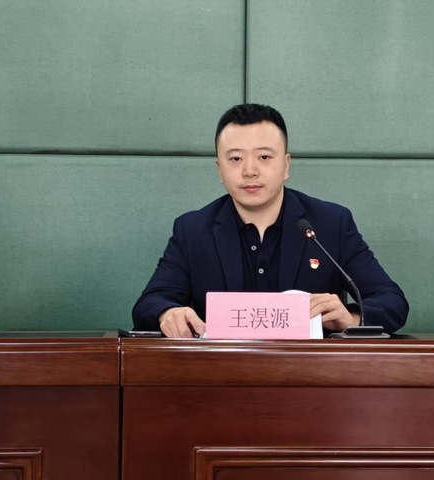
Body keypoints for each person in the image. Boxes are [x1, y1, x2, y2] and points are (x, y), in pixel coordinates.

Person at [133, 104, 408, 338]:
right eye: (235, 158)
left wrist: (351, 318)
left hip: (312, 376)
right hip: (221, 373)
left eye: (264, 157)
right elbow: (149, 303)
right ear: (220, 170)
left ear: (286, 165)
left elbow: (392, 301)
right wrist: (167, 313)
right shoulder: (193, 230)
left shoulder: (331, 223)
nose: (250, 171)